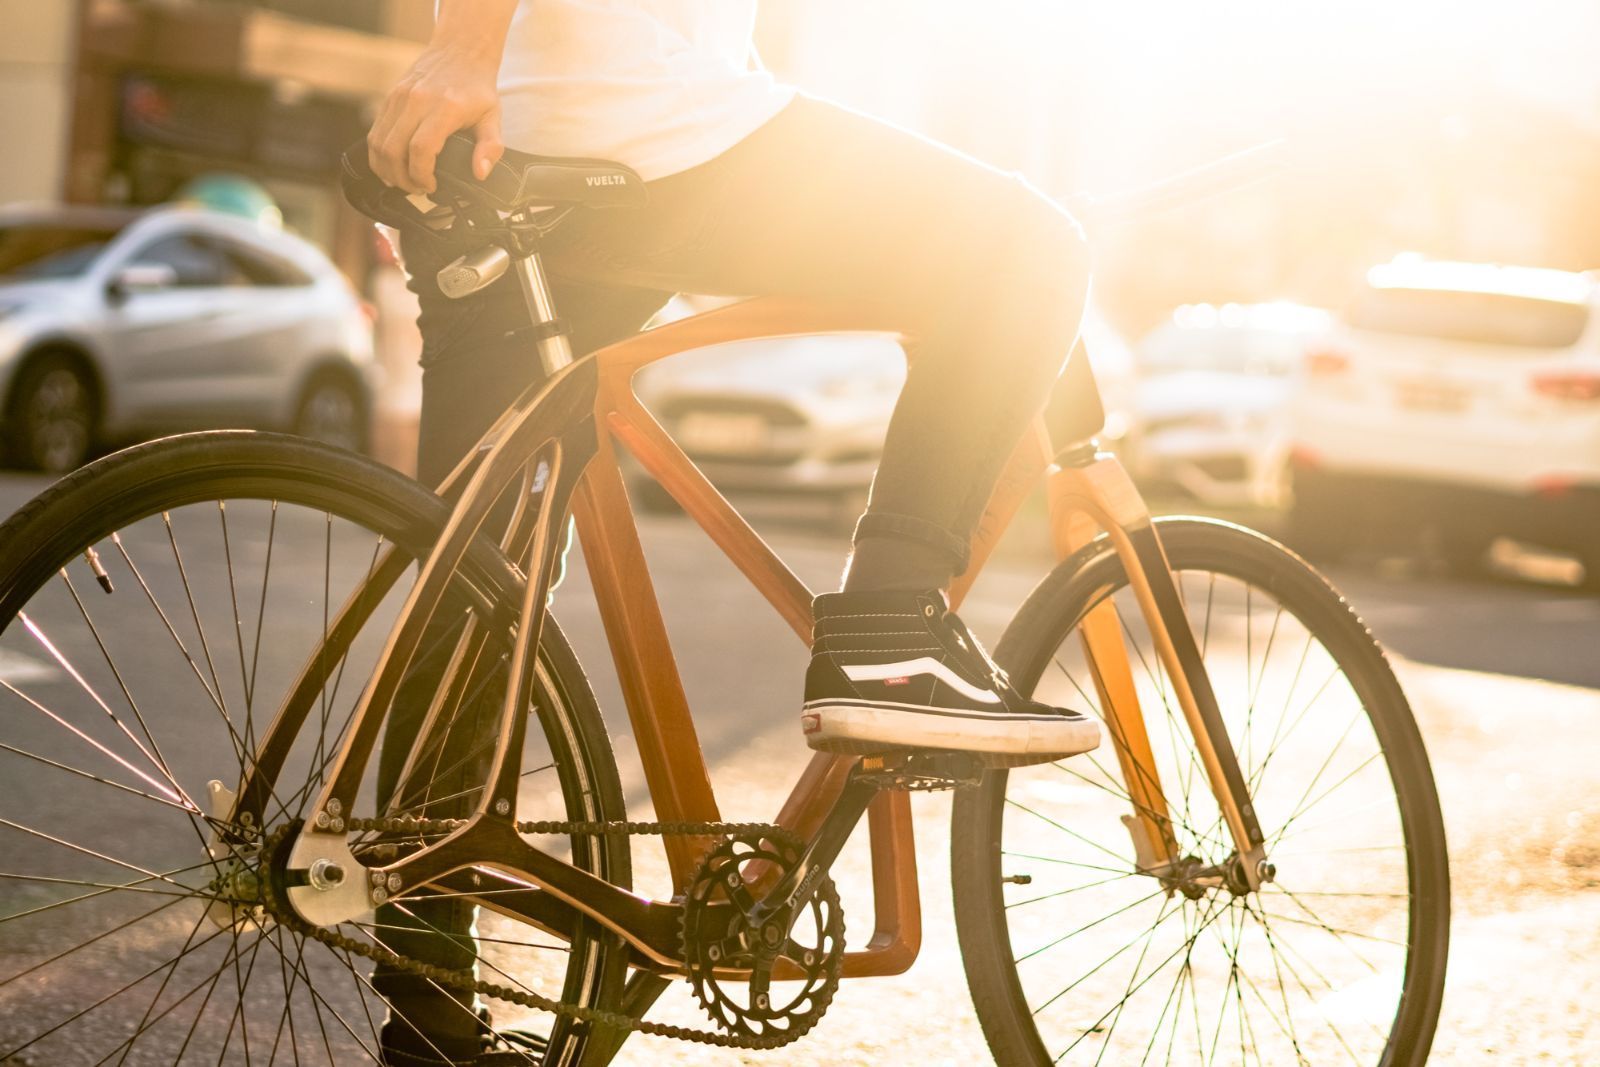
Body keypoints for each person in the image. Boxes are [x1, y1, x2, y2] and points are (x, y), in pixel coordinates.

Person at [364, 2, 1100, 1062]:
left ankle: (428, 1006)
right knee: (1027, 248)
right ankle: (890, 631)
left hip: (509, 161)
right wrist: (464, 47)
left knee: (484, 568)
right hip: (646, 123)